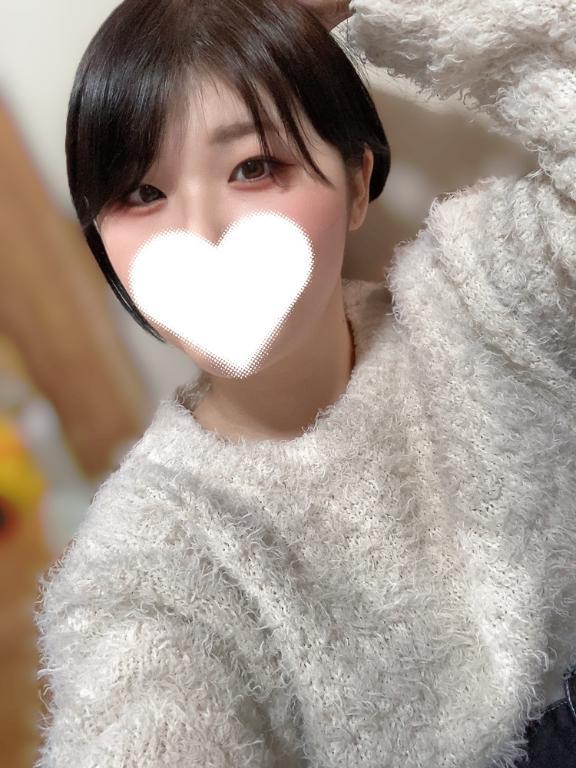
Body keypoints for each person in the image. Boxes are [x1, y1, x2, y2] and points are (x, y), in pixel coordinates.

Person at [34, 1, 576, 766]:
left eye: (253, 167)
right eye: (143, 194)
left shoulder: (481, 297)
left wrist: (362, 4)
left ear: (357, 183)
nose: (201, 233)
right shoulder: (148, 561)